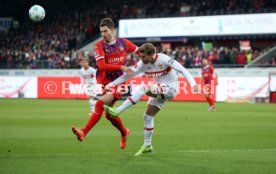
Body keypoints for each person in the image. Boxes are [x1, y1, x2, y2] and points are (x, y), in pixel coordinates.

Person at [103, 43, 197, 156]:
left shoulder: (164, 59)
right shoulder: (142, 63)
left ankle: (117, 111)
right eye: (140, 57)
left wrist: (193, 84)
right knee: (147, 116)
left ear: (152, 54)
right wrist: (112, 84)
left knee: (143, 88)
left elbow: (182, 69)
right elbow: (127, 75)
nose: (141, 59)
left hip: (170, 89)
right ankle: (147, 146)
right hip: (159, 89)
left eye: (143, 57)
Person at [72, 18, 138, 149]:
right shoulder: (99, 46)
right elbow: (101, 66)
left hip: (119, 82)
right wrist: (121, 67)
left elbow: (139, 51)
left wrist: (153, 60)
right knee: (109, 115)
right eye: (101, 31)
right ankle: (124, 132)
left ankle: (83, 132)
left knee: (99, 103)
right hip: (105, 83)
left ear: (112, 30)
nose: (103, 34)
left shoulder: (123, 43)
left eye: (106, 31)